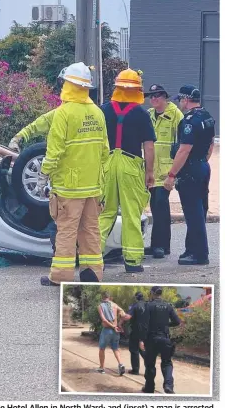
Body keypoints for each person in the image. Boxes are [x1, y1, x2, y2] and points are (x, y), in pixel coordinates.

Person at [37, 62, 110, 285]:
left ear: (68, 84)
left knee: (66, 231)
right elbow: (105, 152)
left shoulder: (64, 113)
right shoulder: (97, 112)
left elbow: (55, 150)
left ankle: (60, 277)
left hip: (69, 187)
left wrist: (44, 174)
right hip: (93, 187)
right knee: (91, 232)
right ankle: (93, 273)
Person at [99, 69, 156, 273]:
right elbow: (148, 146)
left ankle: (93, 258)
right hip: (131, 164)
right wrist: (150, 173)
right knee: (132, 213)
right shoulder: (141, 114)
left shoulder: (103, 110)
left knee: (105, 212)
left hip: (107, 164)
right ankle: (132, 261)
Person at [163, 85, 215, 265]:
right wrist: (202, 161)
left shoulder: (189, 121)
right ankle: (191, 249)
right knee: (200, 210)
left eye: (181, 100)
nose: (180, 104)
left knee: (193, 213)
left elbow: (184, 150)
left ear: (186, 99)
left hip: (191, 169)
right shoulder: (207, 116)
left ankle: (200, 254)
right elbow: (210, 145)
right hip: (202, 166)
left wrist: (171, 175)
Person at [144, 84, 184, 259]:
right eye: (151, 96)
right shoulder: (149, 115)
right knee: (155, 206)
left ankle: (160, 245)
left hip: (167, 170)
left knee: (160, 205)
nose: (153, 99)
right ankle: (158, 245)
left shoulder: (176, 115)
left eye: (157, 96)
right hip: (151, 169)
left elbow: (184, 144)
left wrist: (174, 172)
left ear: (165, 97)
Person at [139, 286, 181, 394]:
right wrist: (166, 324)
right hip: (165, 338)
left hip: (151, 339)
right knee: (167, 363)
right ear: (161, 294)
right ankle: (168, 386)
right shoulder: (168, 306)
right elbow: (177, 321)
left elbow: (143, 324)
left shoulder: (148, 305)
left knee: (150, 364)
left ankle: (149, 388)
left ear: (152, 293)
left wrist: (141, 340)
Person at [97, 291, 131, 375]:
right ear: (110, 297)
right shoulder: (115, 305)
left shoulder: (100, 306)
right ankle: (121, 364)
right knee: (115, 348)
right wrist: (119, 323)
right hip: (116, 331)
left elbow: (104, 320)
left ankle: (101, 368)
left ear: (102, 297)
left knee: (102, 349)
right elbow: (124, 314)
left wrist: (113, 326)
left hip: (107, 330)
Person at [127, 291, 147, 375]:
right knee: (143, 350)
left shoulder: (134, 306)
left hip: (136, 331)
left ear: (136, 297)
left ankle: (135, 370)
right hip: (146, 331)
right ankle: (150, 368)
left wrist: (121, 318)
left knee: (134, 349)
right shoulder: (148, 305)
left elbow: (128, 316)